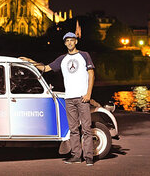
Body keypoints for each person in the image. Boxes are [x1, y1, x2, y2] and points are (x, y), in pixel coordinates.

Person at [20, 32, 95, 166]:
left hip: (82, 97)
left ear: (76, 42)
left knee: (86, 128)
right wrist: (29, 61)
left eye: (72, 40)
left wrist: (88, 94)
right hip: (69, 98)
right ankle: (76, 155)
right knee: (73, 129)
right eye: (67, 41)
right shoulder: (62, 59)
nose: (70, 43)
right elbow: (45, 68)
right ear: (65, 43)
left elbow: (91, 74)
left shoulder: (84, 55)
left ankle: (89, 156)